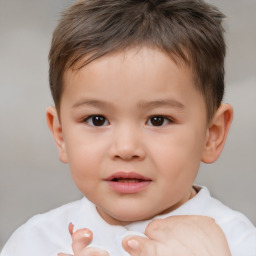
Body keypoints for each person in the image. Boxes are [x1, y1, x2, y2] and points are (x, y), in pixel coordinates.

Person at [1, 0, 256, 255]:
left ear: (212, 134)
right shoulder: (34, 243)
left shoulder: (237, 245)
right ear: (61, 135)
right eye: (97, 120)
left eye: (158, 120)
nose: (126, 148)